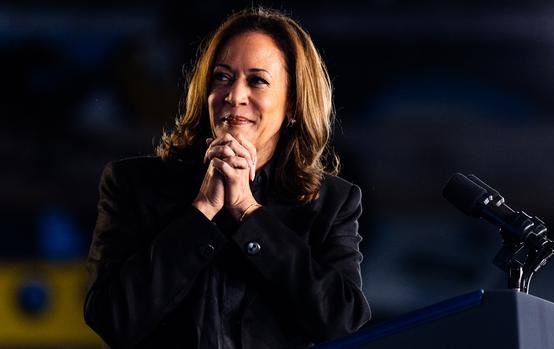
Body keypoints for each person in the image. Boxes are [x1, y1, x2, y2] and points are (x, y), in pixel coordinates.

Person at [84, 7, 371, 349]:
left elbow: (343, 322)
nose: (234, 96)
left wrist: (249, 213)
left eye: (257, 80)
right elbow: (111, 318)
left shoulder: (332, 202)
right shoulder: (131, 183)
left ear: (292, 103)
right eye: (222, 77)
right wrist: (202, 210)